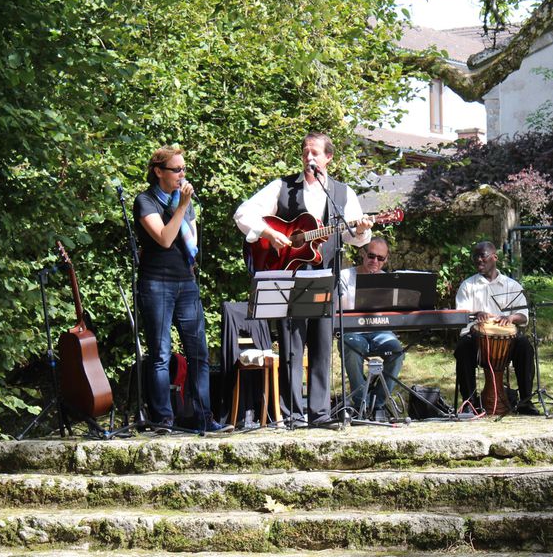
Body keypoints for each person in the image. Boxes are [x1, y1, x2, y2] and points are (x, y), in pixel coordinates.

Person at [234, 132, 373, 428]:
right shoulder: (283, 187)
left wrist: (361, 229)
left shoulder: (341, 193)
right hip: (290, 274)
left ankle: (320, 414)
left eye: (315, 153)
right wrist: (270, 234)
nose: (309, 157)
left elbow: (355, 238)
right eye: (305, 152)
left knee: (322, 346)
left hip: (325, 277)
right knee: (292, 346)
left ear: (328, 158)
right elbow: (243, 213)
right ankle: (293, 414)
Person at [134, 145, 230, 434]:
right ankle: (164, 419)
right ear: (158, 172)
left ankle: (204, 416)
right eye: (176, 169)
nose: (182, 174)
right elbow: (164, 238)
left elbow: (191, 243)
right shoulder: (145, 201)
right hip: (156, 282)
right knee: (161, 353)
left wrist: (185, 207)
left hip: (185, 282)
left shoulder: (183, 200)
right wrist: (182, 208)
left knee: (198, 352)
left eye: (184, 169)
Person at [453, 240, 539, 415]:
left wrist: (511, 317)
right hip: (477, 342)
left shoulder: (511, 286)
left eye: (482, 256)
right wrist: (476, 315)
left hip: (506, 344)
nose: (478, 260)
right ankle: (469, 403)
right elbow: (459, 315)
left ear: (495, 257)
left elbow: (523, 316)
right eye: (475, 256)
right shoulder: (468, 286)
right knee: (462, 348)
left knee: (525, 347)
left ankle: (525, 401)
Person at [339, 236, 404, 417]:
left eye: (380, 258)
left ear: (386, 260)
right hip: (354, 331)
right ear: (363, 254)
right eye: (371, 256)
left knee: (397, 352)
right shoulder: (346, 276)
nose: (375, 261)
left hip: (380, 331)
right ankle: (361, 403)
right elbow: (341, 310)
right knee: (351, 348)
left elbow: (394, 314)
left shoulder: (387, 280)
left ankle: (379, 402)